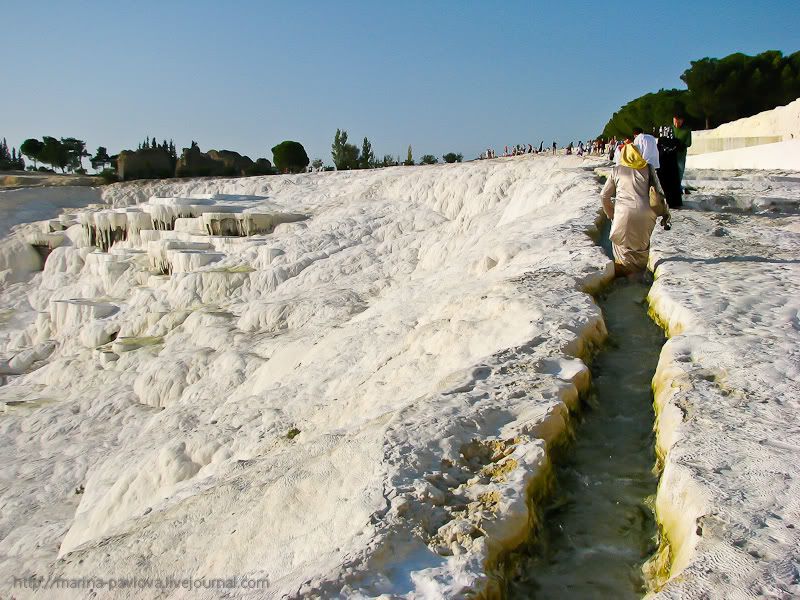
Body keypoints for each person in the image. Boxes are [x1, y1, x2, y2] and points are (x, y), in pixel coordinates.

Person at [600, 143, 670, 277]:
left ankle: (624, 281)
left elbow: (604, 196)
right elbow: (659, 192)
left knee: (623, 249)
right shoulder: (649, 168)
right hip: (646, 213)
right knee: (641, 249)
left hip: (623, 214)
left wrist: (611, 214)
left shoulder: (616, 170)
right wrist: (665, 213)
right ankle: (638, 279)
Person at [672, 113, 692, 191]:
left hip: (681, 154)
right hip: (670, 154)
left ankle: (678, 186)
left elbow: (689, 143)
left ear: (682, 121)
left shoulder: (686, 130)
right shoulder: (670, 128)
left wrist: (681, 145)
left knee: (680, 170)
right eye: (675, 122)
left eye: (678, 122)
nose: (676, 124)